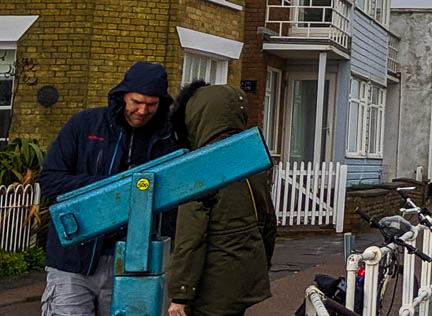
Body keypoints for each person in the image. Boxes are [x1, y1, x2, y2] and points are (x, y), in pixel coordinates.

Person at [38, 61, 178, 316]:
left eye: (151, 104)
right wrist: (115, 188)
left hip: (132, 263)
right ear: (123, 95)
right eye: (137, 101)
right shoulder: (84, 125)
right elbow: (50, 180)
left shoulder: (167, 140)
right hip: (72, 260)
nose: (143, 110)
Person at [165, 81, 277, 316]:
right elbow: (268, 221)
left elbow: (191, 238)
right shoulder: (253, 161)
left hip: (211, 287)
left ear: (197, 116)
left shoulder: (200, 168)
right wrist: (260, 264)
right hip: (245, 278)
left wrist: (180, 295)